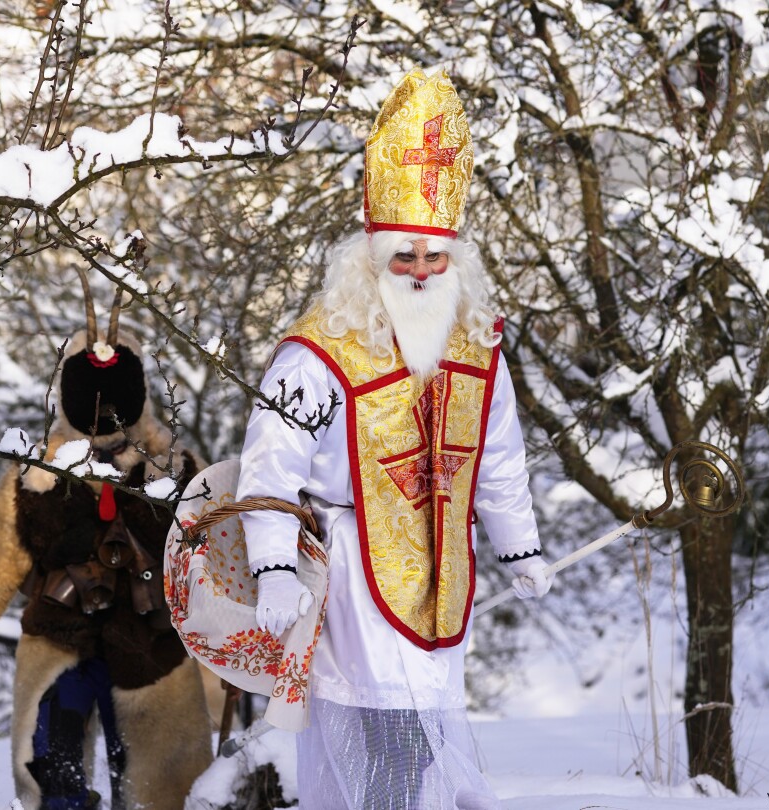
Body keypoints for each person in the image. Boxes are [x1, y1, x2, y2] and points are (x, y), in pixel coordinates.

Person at [235, 68, 553, 809]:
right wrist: (274, 563)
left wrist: (521, 547)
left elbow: (497, 459)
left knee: (422, 728)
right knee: (380, 734)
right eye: (401, 257)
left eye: (432, 257)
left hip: (444, 569)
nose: (417, 272)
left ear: (455, 262)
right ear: (369, 258)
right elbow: (270, 461)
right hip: (349, 569)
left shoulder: (478, 348)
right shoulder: (318, 351)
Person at [0, 316, 214, 810]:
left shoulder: (177, 473)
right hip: (60, 645)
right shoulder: (37, 475)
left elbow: (217, 555)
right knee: (53, 777)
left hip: (153, 650)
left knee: (163, 790)